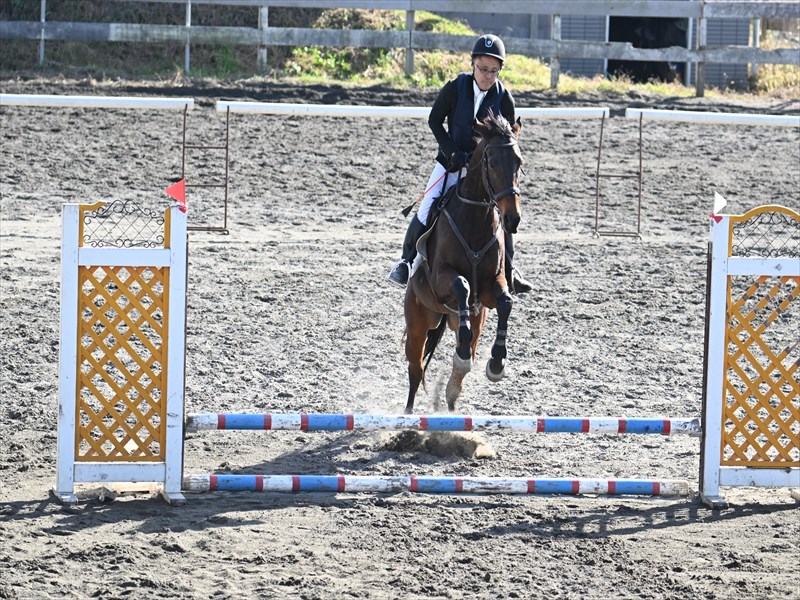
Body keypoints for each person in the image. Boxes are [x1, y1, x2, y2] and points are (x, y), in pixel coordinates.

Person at [387, 33, 532, 295]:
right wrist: (452, 151)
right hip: (450, 163)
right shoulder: (455, 87)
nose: (487, 76)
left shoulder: (504, 98)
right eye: (483, 69)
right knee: (427, 204)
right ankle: (406, 262)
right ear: (473, 64)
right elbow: (434, 120)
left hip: (485, 172)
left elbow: (508, 139)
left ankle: (511, 271)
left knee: (504, 211)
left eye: (494, 71)